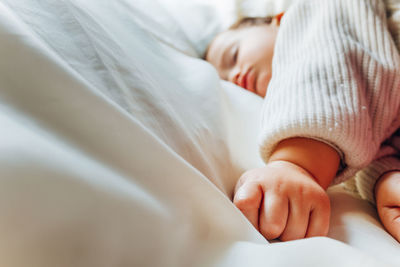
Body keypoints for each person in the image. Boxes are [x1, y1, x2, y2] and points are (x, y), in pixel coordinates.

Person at [205, 0, 400, 242]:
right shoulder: (355, 121)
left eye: (233, 55)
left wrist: (298, 163)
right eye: (227, 80)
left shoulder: (319, 10)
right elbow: (371, 127)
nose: (234, 75)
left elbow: (333, 53)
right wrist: (385, 178)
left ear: (280, 20)